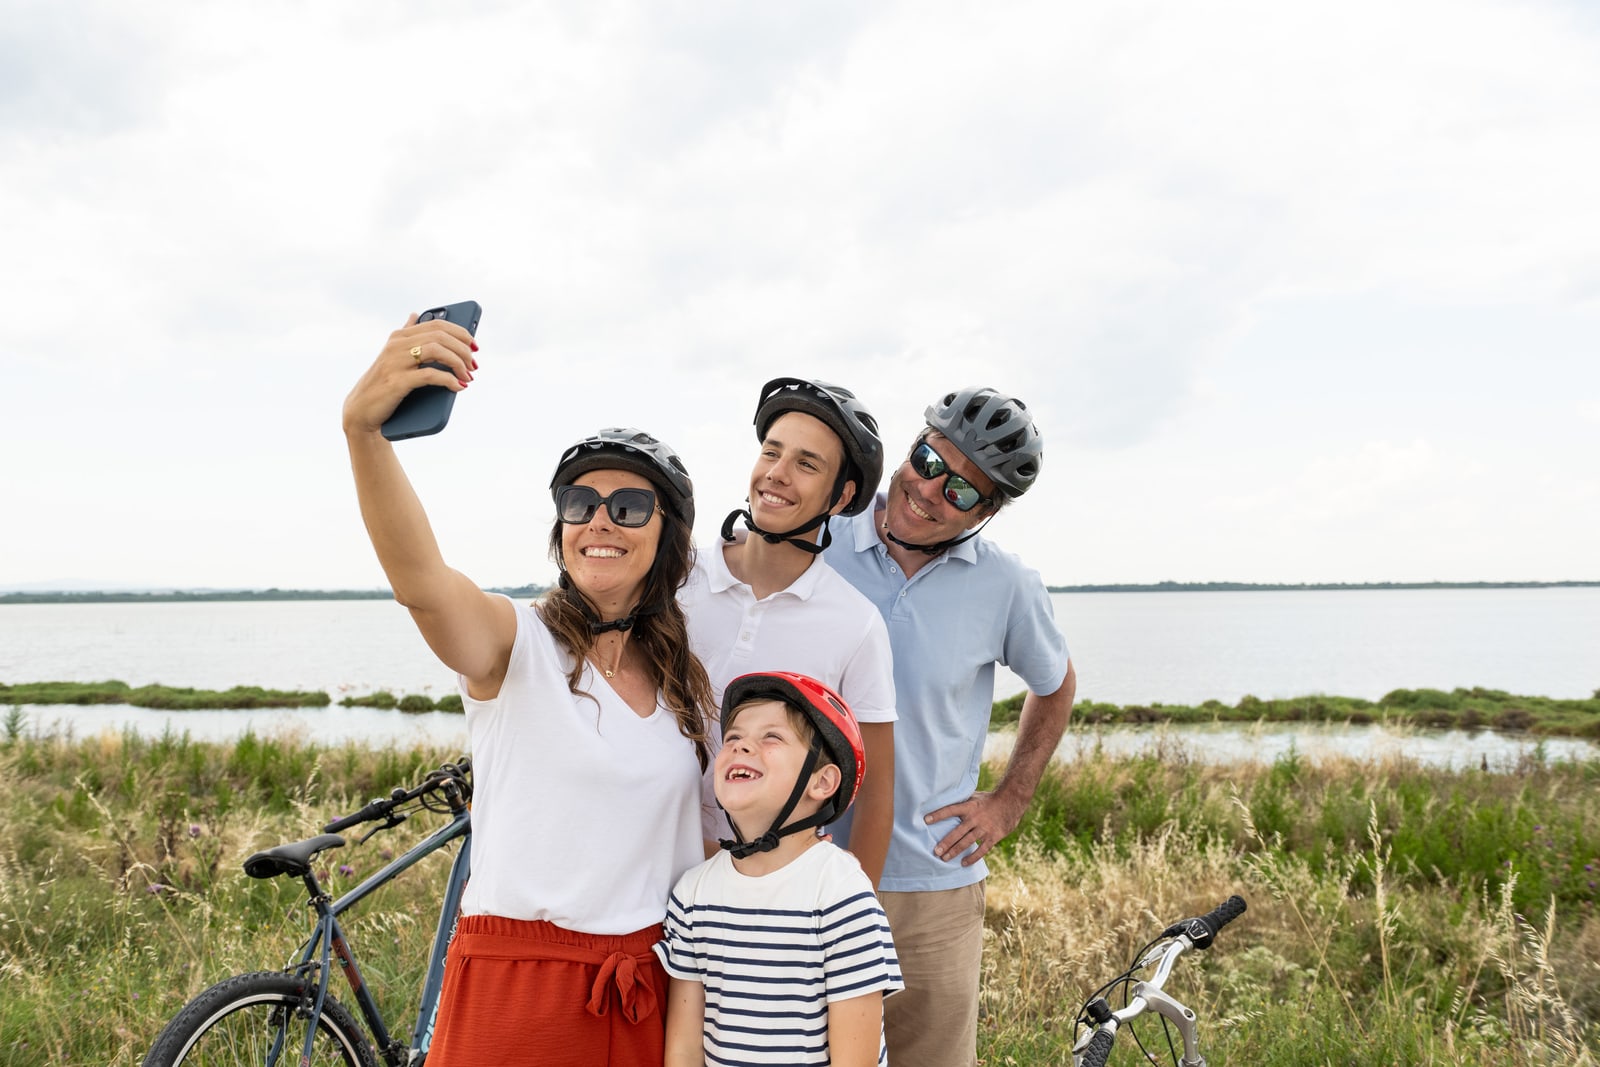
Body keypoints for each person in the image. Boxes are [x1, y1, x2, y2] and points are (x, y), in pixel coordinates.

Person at [341, 312, 716, 1067]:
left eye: (630, 505)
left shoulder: (686, 684)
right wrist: (364, 434)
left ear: (667, 536)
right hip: (520, 990)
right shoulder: (516, 644)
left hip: (649, 988)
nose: (599, 520)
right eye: (580, 503)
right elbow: (422, 585)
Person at [824, 386, 1076, 1067]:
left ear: (987, 512)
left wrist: (1009, 799)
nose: (929, 490)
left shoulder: (1007, 585)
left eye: (963, 492)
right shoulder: (820, 541)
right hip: (805, 871)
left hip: (929, 888)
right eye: (928, 459)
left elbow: (1055, 687)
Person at [681, 377, 897, 885]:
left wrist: (851, 916)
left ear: (841, 496)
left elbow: (876, 793)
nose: (776, 475)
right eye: (771, 453)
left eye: (806, 464)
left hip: (767, 891)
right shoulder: (678, 576)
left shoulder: (855, 622)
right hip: (642, 870)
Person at [655, 671, 903, 1066]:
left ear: (822, 782)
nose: (742, 747)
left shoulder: (841, 894)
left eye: (772, 737)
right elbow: (684, 1050)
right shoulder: (693, 894)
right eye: (733, 738)